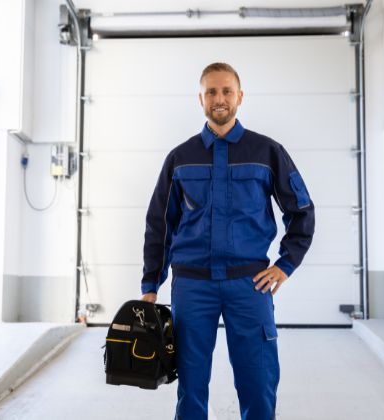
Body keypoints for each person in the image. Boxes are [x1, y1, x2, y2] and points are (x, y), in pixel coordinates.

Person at [140, 62, 315, 420]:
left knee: (258, 381)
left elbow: (302, 211)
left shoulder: (267, 152)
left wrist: (284, 265)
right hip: (192, 286)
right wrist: (150, 285)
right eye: (211, 92)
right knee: (190, 386)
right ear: (200, 98)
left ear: (240, 97)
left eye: (226, 91)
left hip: (249, 286)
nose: (219, 99)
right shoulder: (180, 158)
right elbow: (160, 225)